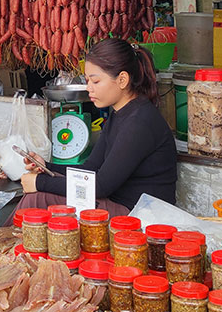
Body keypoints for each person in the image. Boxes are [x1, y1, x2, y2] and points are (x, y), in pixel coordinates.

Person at [20, 38, 177, 216]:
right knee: (39, 195)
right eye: (87, 81)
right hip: (118, 204)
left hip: (140, 215)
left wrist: (40, 182)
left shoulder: (139, 122)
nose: (89, 88)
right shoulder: (119, 114)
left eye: (95, 82)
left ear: (122, 80)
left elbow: (100, 186)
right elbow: (90, 169)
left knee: (38, 198)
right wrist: (48, 167)